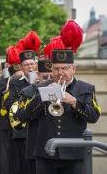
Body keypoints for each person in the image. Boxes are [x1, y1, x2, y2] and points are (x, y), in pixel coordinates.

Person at [15, 20, 101, 174]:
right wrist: (42, 98)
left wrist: (74, 102)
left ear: (73, 69)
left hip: (74, 155)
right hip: (45, 155)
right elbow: (21, 116)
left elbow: (94, 116)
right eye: (56, 69)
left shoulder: (86, 88)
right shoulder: (38, 88)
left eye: (65, 68)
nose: (60, 72)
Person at [5, 31, 41, 174]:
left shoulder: (44, 81)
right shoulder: (14, 83)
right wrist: (29, 88)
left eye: (32, 64)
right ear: (21, 67)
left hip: (38, 131)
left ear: (36, 64)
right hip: (21, 132)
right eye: (26, 65)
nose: (30, 67)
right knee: (20, 166)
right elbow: (9, 105)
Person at [14, 56, 53, 174]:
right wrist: (42, 95)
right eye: (45, 77)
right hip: (36, 145)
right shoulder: (28, 91)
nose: (49, 79)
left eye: (52, 76)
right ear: (38, 75)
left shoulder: (66, 89)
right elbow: (21, 116)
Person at [0, 47, 21, 174]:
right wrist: (6, 87)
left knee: (18, 159)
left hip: (19, 125)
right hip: (3, 125)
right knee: (4, 158)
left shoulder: (23, 80)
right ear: (7, 65)